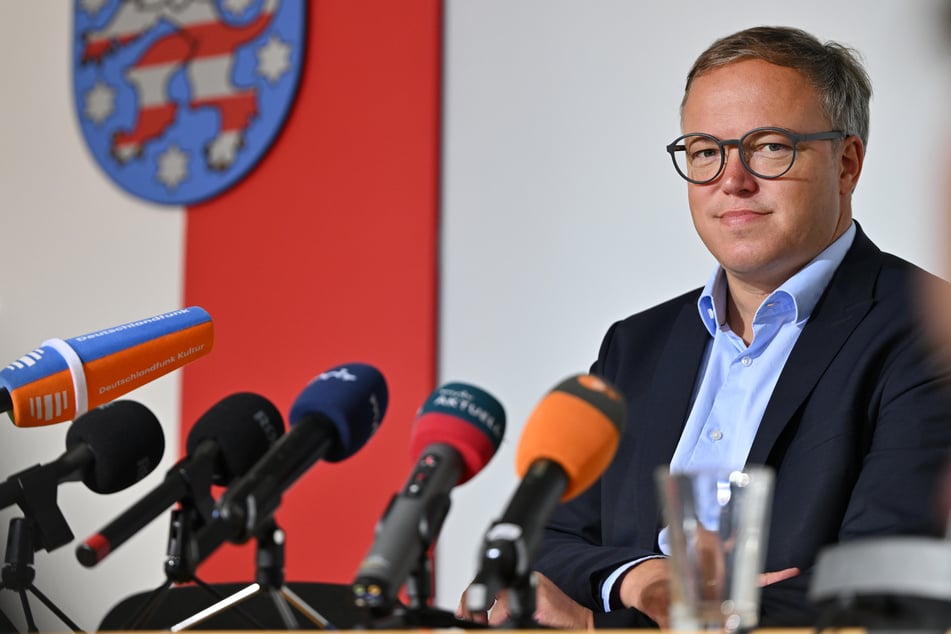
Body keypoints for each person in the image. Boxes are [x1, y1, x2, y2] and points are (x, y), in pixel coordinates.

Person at [461, 25, 951, 629]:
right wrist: (642, 578)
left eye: (770, 146)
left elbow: (884, 585)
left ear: (846, 163)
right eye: (704, 151)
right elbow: (546, 546)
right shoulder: (634, 347)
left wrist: (599, 624)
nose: (731, 179)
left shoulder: (930, 331)